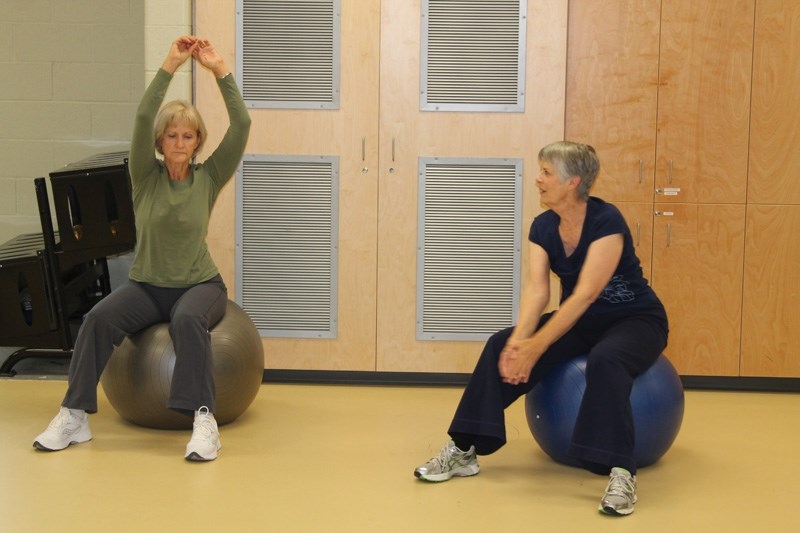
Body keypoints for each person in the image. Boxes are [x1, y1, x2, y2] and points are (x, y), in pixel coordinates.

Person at [413, 141, 669, 516]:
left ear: (573, 182)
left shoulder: (606, 221)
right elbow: (537, 291)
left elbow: (584, 295)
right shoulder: (543, 226)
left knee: (607, 359)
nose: (538, 179)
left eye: (546, 172)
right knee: (499, 342)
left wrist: (538, 347)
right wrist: (519, 343)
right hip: (581, 321)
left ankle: (620, 473)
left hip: (635, 319)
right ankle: (464, 449)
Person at [33, 36, 251, 461]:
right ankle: (74, 415)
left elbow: (241, 124)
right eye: (172, 135)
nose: (180, 142)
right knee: (96, 319)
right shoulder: (145, 177)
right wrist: (169, 66)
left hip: (200, 285)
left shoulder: (208, 178)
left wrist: (220, 70)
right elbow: (142, 117)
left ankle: (203, 421)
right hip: (148, 287)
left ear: (198, 141)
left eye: (189, 136)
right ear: (160, 142)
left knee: (188, 320)